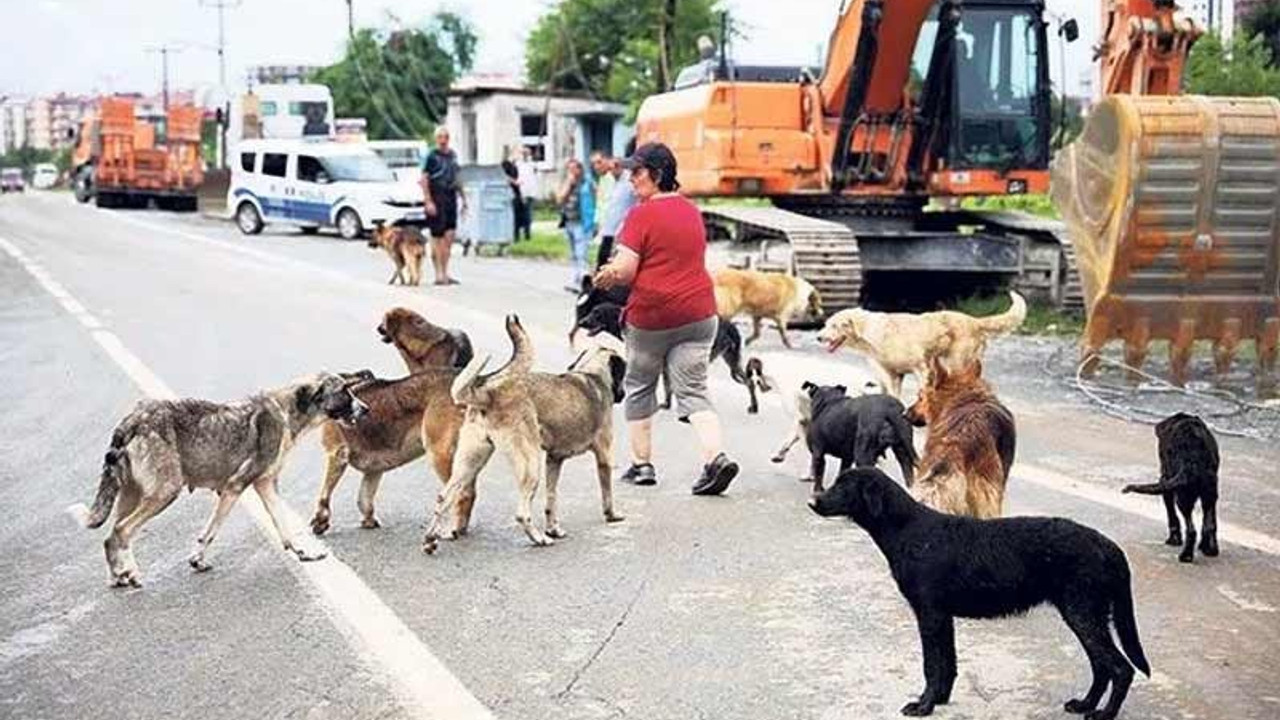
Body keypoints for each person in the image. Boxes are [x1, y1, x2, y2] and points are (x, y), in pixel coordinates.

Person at [593, 142, 740, 496]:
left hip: (652, 318)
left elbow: (627, 271)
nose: (631, 180)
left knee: (641, 385)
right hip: (700, 314)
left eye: (637, 172)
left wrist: (608, 273)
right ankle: (716, 458)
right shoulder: (691, 211)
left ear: (657, 175)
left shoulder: (640, 216)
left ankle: (642, 465)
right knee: (693, 389)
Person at [421, 126, 466, 285]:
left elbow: (458, 178)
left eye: (445, 136)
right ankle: (439, 274)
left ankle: (446, 272)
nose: (443, 139)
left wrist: (464, 199)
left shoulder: (453, 155)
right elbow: (424, 179)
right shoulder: (431, 156)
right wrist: (428, 201)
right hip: (436, 195)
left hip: (450, 196)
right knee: (437, 237)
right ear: (436, 139)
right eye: (440, 136)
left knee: (449, 237)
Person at [592, 147, 637, 270]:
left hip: (619, 234)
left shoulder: (629, 181)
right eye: (594, 164)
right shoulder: (607, 180)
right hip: (608, 232)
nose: (596, 166)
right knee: (601, 269)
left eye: (599, 162)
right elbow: (604, 206)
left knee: (610, 271)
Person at [556, 157, 595, 293]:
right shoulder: (566, 182)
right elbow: (559, 199)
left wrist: (594, 223)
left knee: (581, 253)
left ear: (580, 169)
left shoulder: (587, 182)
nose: (572, 171)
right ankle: (575, 280)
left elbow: (594, 200)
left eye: (574, 168)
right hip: (568, 221)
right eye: (569, 169)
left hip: (581, 222)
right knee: (573, 254)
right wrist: (568, 183)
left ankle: (583, 283)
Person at [501, 147, 525, 243]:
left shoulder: (515, 166)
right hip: (509, 192)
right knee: (512, 215)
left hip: (516, 192)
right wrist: (514, 182)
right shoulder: (506, 164)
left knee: (518, 216)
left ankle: (517, 235)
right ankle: (512, 236)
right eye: (518, 153)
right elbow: (504, 176)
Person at [515, 147, 537, 241]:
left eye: (527, 153)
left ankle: (527, 234)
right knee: (518, 215)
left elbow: (534, 177)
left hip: (529, 192)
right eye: (523, 153)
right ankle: (516, 235)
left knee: (528, 215)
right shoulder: (517, 164)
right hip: (519, 192)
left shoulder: (532, 164)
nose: (525, 155)